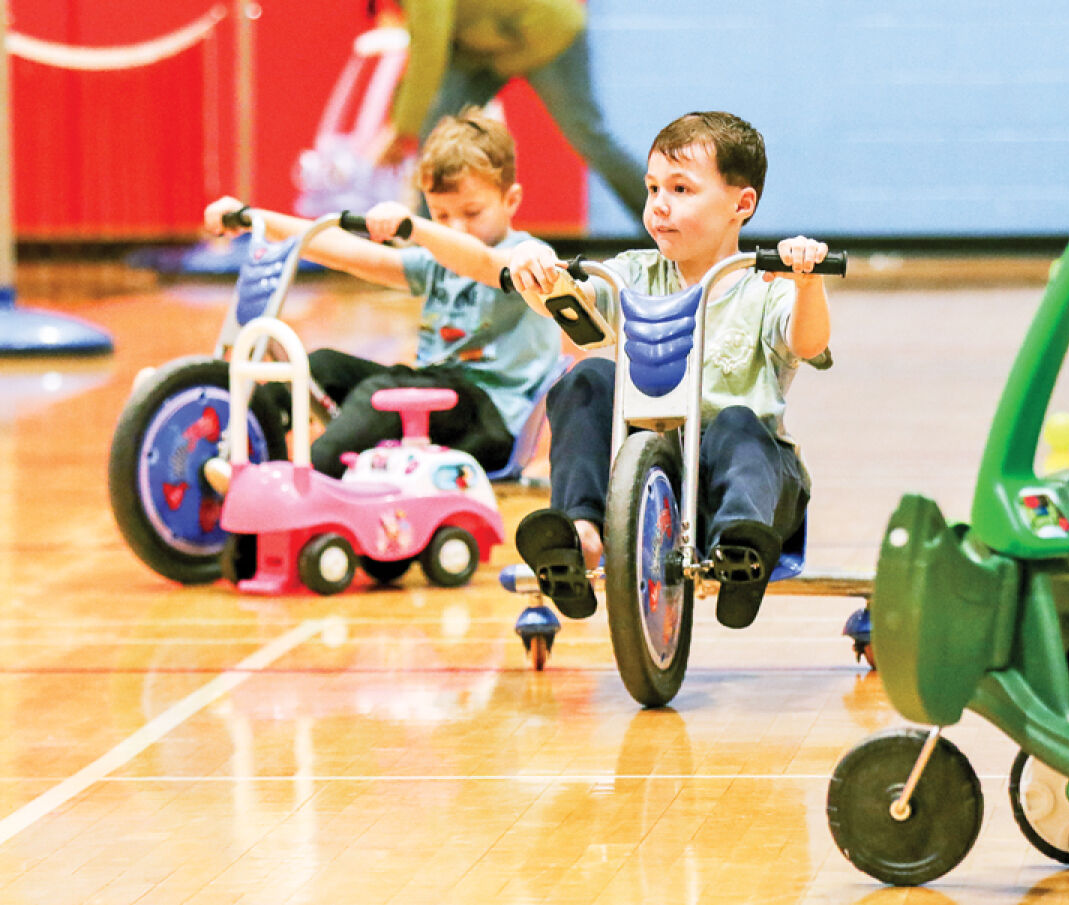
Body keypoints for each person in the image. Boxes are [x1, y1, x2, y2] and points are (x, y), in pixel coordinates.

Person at [505, 110, 833, 630]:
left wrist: (807, 282)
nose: (659, 205)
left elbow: (808, 340)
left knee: (736, 423)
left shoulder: (762, 285)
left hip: (747, 488)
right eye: (653, 187)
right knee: (588, 378)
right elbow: (580, 305)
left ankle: (739, 551)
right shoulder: (635, 272)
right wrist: (539, 275)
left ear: (740, 204)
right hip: (654, 479)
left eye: (681, 189)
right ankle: (580, 537)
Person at [204, 106, 562, 478]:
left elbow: (500, 260)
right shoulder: (435, 262)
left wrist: (419, 228)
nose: (457, 227)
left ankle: (306, 480)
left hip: (490, 421)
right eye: (441, 215)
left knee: (385, 391)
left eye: (472, 213)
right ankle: (236, 455)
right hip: (434, 397)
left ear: (511, 201)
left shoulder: (522, 259)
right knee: (322, 366)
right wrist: (253, 218)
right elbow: (345, 252)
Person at [372, 0, 646, 219]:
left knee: (589, 138)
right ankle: (431, 251)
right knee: (436, 133)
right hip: (491, 49)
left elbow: (429, 53)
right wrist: (402, 123)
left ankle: (662, 221)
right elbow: (434, 57)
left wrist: (403, 130)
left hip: (548, 31)